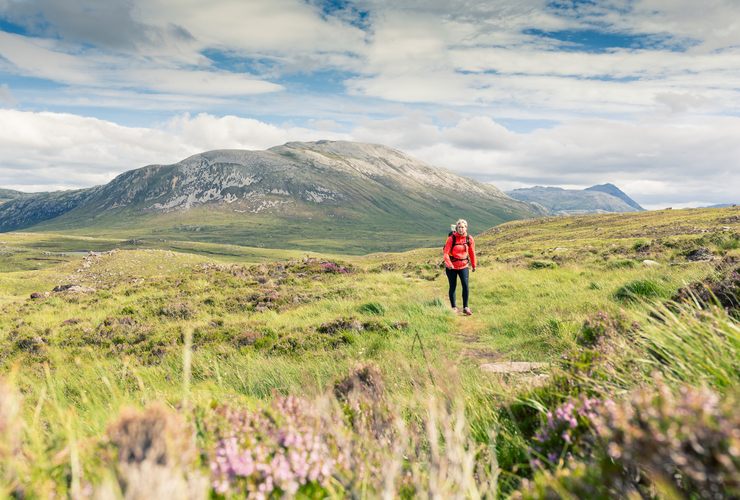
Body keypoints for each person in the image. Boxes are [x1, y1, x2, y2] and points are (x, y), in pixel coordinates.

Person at [443, 219, 476, 315]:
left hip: (464, 266)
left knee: (465, 286)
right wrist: (449, 264)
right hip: (452, 267)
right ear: (456, 228)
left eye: (462, 227)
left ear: (466, 228)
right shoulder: (451, 238)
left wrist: (474, 265)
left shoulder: (469, 238)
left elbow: (472, 252)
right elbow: (446, 252)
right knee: (453, 287)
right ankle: (454, 307)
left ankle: (466, 307)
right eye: (459, 227)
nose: (460, 229)